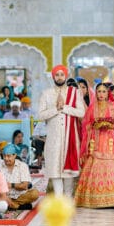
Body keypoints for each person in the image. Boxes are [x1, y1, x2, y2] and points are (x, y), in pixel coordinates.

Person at [74, 83, 114, 208]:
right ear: (96, 93)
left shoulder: (112, 107)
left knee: (110, 167)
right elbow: (85, 125)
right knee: (95, 165)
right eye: (99, 91)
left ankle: (112, 199)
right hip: (96, 142)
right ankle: (94, 199)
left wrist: (108, 125)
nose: (101, 94)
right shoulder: (92, 108)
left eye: (104, 91)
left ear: (107, 93)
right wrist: (94, 126)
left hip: (108, 142)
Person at [38, 64, 85, 196]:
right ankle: (59, 199)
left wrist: (64, 108)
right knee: (54, 168)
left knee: (68, 169)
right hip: (53, 138)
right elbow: (41, 115)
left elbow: (81, 113)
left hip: (70, 137)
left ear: (66, 76)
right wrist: (56, 109)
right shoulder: (46, 94)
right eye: (57, 75)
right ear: (53, 77)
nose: (59, 77)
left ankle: (68, 198)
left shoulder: (74, 92)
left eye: (61, 74)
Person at [0, 145, 40, 210]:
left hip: (20, 196)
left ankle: (11, 205)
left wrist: (11, 185)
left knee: (35, 194)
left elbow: (25, 186)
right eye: (4, 156)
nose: (6, 158)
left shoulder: (22, 166)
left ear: (15, 155)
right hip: (4, 196)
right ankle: (18, 206)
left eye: (8, 156)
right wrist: (5, 197)